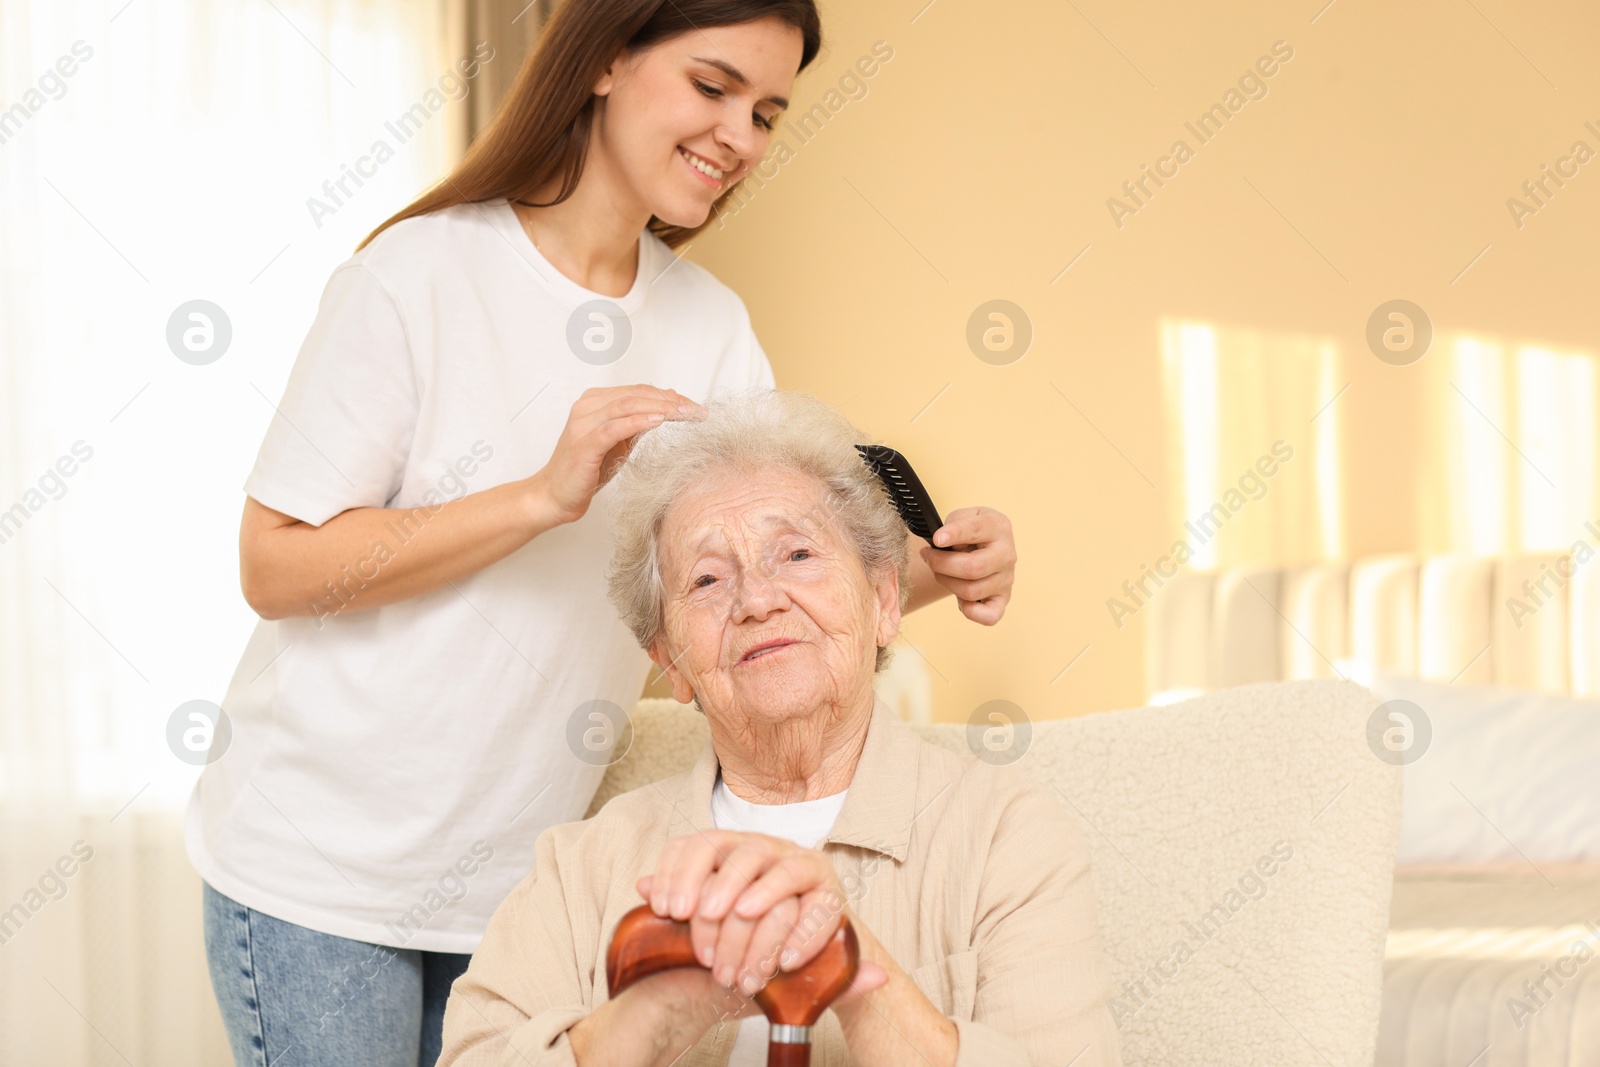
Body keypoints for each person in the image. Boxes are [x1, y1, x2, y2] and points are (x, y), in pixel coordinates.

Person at [188, 2, 1018, 1065]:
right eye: (712, 87)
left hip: (515, 888)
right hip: (318, 869)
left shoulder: (710, 324)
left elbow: (766, 563)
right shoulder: (417, 275)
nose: (740, 137)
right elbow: (275, 563)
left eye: (767, 112)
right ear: (606, 63)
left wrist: (935, 570)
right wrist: (541, 494)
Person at [438, 391, 1119, 1067]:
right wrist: (666, 998)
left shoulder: (1008, 835)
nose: (758, 599)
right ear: (670, 662)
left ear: (885, 600)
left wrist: (849, 965)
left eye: (796, 554)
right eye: (707, 578)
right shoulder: (582, 865)